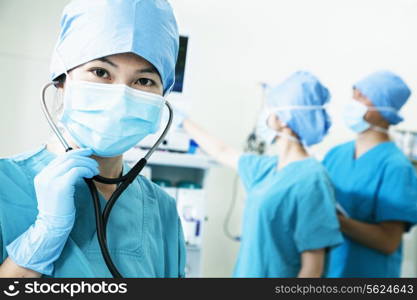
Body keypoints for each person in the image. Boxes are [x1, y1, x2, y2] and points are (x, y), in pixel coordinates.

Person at [0, 0, 185, 278]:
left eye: (144, 81)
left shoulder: (163, 210)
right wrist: (45, 234)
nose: (120, 97)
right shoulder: (5, 186)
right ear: (62, 79)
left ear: (161, 100)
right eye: (101, 73)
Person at [179, 71, 343, 277]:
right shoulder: (266, 169)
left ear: (284, 119)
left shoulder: (312, 179)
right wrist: (182, 121)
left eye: (271, 109)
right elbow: (222, 151)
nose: (265, 115)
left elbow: (312, 269)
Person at [323, 70, 417, 277]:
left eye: (362, 96)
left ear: (385, 109)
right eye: (353, 94)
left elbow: (388, 242)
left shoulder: (396, 167)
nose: (353, 102)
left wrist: (336, 220)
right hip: (331, 270)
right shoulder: (335, 154)